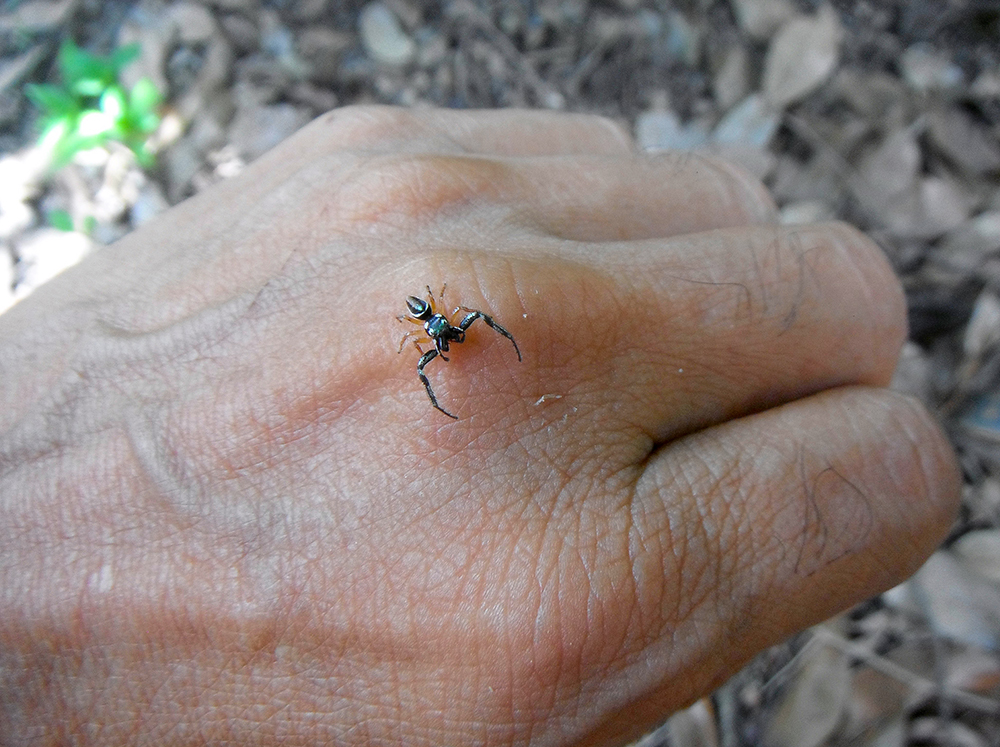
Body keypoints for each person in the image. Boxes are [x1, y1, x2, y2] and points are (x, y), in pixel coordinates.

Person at [0, 107, 959, 745]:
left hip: (467, 341)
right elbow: (431, 342)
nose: (431, 323)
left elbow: (461, 322)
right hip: (454, 351)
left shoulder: (448, 319)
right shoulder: (426, 337)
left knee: (472, 329)